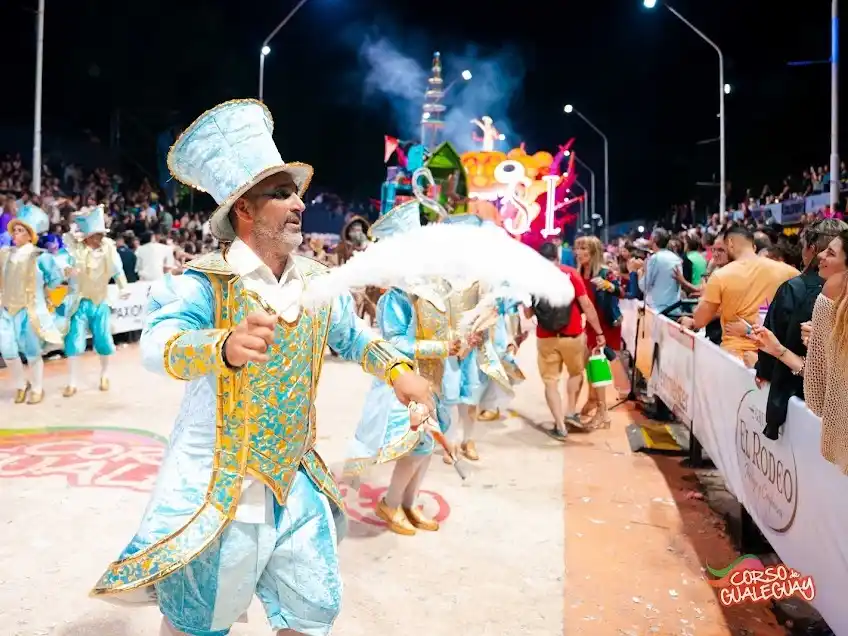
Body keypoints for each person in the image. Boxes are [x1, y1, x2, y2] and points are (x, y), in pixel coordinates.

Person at [90, 99, 434, 636]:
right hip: (220, 484)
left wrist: (398, 372)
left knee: (312, 610)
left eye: (295, 191)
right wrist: (220, 346)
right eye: (281, 193)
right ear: (243, 211)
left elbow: (355, 335)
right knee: (199, 619)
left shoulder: (319, 283)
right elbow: (158, 343)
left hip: (295, 479)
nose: (299, 203)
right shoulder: (204, 282)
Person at [343, 200, 458, 536]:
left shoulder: (429, 292)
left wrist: (455, 342)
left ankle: (410, 502)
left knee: (429, 445)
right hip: (406, 381)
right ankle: (392, 503)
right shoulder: (396, 298)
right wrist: (441, 347)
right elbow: (395, 346)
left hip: (433, 379)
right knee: (416, 446)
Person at [725, 219, 847, 438]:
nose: (822, 257)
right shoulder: (811, 293)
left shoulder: (799, 289)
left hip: (801, 401)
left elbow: (824, 374)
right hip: (817, 402)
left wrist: (769, 362)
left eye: (830, 253)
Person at [748, 230, 848, 471]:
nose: (820, 255)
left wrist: (821, 347)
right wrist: (780, 350)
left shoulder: (823, 296)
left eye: (830, 253)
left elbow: (818, 394)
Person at [679, 225, 799, 359]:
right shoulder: (788, 272)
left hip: (735, 356)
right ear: (753, 246)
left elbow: (700, 320)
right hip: (771, 356)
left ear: (730, 243)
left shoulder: (720, 276)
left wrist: (701, 303)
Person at [529, 241, 605, 439]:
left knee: (550, 382)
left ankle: (560, 425)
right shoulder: (570, 273)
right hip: (572, 335)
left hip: (546, 337)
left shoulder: (531, 278)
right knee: (575, 373)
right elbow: (586, 305)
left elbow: (528, 313)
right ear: (557, 257)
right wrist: (598, 331)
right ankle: (571, 411)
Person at [60, 205, 130, 396]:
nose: (100, 237)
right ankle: (72, 382)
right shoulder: (75, 250)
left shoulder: (108, 249)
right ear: (88, 236)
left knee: (104, 340)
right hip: (79, 301)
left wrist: (123, 288)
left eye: (101, 233)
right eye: (96, 234)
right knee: (74, 341)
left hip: (101, 300)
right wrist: (66, 270)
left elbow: (117, 270)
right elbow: (63, 263)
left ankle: (104, 375)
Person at [0, 204, 64, 403]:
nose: (15, 234)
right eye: (15, 231)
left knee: (32, 350)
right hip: (6, 308)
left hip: (30, 310)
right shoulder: (4, 255)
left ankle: (37, 387)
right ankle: (20, 385)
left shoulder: (41, 257)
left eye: (20, 231)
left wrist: (48, 290)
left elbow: (55, 280)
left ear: (30, 234)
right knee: (7, 350)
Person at [574, 235, 624, 428]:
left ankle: (603, 413)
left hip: (604, 326)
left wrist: (609, 286)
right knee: (589, 367)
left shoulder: (605, 272)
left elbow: (621, 292)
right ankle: (593, 401)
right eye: (578, 248)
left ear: (593, 252)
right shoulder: (580, 273)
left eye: (583, 248)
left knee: (597, 367)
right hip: (590, 325)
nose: (579, 252)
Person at [637, 228, 682, 313]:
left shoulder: (655, 258)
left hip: (658, 310)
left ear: (654, 239)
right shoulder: (676, 258)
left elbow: (644, 286)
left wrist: (641, 272)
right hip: (675, 308)